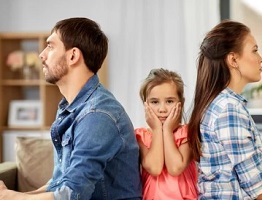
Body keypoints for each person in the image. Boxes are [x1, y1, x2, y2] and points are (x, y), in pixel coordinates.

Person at [0, 17, 142, 200]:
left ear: (73, 56)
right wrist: (12, 195)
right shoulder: (71, 108)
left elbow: (71, 194)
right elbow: (61, 183)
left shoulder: (97, 115)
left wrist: (9, 197)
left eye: (50, 47)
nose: (41, 55)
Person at [188, 19, 262, 199]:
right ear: (233, 59)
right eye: (255, 50)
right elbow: (259, 190)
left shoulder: (225, 103)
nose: (261, 58)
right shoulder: (228, 109)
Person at [135, 68, 198, 200]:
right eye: (154, 102)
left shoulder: (187, 133)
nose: (162, 109)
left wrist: (167, 130)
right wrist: (158, 130)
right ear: (145, 105)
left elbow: (175, 168)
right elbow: (155, 168)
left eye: (169, 101)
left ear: (181, 103)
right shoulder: (141, 136)